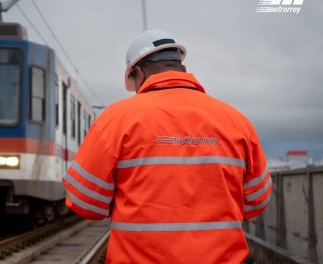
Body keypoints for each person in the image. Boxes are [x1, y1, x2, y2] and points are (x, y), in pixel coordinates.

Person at [62, 29, 272, 263]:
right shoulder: (236, 121)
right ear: (180, 67)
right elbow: (258, 199)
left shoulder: (116, 119)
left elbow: (83, 200)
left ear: (138, 73)